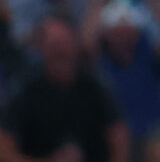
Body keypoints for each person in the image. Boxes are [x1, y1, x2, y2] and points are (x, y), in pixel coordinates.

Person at [0, 17, 128, 162]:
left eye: (64, 44)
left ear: (76, 45)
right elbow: (3, 148)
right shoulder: (24, 88)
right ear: (41, 48)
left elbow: (119, 139)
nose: (60, 52)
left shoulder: (96, 86)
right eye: (54, 46)